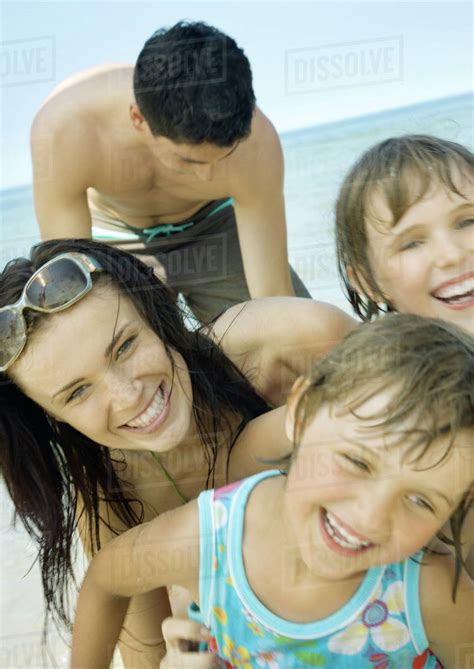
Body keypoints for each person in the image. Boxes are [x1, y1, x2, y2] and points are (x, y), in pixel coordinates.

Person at [0, 238, 353, 667]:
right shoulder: (114, 501)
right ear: (54, 421)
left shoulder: (293, 342)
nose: (128, 395)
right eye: (77, 392)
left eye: (126, 346)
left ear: (154, 315)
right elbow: (146, 658)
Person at [70, 314, 473, 668]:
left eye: (420, 500)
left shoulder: (428, 592)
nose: (370, 517)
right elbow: (107, 578)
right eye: (358, 462)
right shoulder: (212, 539)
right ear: (302, 412)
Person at [30, 21, 310, 325]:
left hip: (213, 226)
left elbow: (273, 296)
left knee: (294, 338)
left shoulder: (255, 142)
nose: (207, 177)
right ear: (138, 118)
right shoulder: (65, 131)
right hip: (115, 237)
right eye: (189, 162)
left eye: (223, 157)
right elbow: (70, 283)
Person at [335, 134, 473, 334]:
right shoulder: (384, 364)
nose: (452, 256)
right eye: (411, 244)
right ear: (368, 283)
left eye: (468, 222)